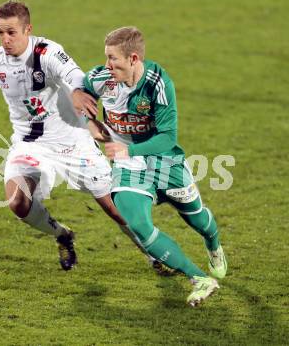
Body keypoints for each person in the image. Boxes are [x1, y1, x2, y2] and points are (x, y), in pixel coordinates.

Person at [0, 0, 147, 272]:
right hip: (29, 145)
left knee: (115, 208)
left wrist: (78, 91)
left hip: (72, 141)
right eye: (0, 32)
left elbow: (73, 73)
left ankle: (154, 256)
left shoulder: (47, 52)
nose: (5, 39)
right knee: (17, 202)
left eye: (11, 32)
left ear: (28, 29)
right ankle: (62, 235)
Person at [80, 26, 227, 306]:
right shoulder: (100, 78)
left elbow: (168, 138)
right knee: (137, 223)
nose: (107, 65)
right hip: (128, 165)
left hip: (165, 161)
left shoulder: (158, 82)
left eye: (114, 59)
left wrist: (128, 148)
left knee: (197, 219)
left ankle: (214, 245)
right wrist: (88, 122)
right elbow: (80, 97)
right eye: (106, 57)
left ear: (133, 59)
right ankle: (199, 278)